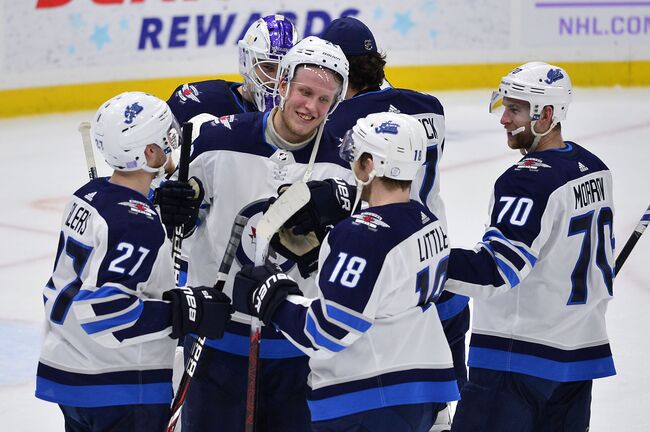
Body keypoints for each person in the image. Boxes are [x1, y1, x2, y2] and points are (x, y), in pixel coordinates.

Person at [274, 16, 469, 428]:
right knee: (432, 413)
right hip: (434, 263)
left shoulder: (345, 124)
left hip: (379, 281)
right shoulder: (430, 106)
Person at [155, 36, 353, 431]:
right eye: (304, 92)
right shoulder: (215, 141)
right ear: (282, 86)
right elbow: (178, 227)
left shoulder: (343, 167)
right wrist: (171, 208)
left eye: (324, 99)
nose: (311, 107)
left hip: (296, 344)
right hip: (217, 338)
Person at [233, 112, 460, 431]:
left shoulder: (359, 235)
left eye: (356, 155)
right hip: (419, 390)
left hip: (368, 397)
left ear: (369, 164)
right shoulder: (427, 221)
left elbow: (329, 331)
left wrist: (272, 297)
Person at [34, 92, 233, 432]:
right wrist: (182, 312)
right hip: (119, 383)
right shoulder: (137, 224)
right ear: (150, 153)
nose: (173, 145)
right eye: (166, 138)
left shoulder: (89, 194)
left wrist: (157, 200)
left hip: (70, 372)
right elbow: (103, 311)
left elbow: (122, 216)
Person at [445, 62, 616, 431]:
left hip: (516, 359)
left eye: (516, 109)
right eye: (505, 106)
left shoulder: (525, 181)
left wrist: (425, 262)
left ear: (547, 114)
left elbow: (495, 270)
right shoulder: (595, 168)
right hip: (577, 357)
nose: (504, 119)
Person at [167, 14, 298, 123]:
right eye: (268, 67)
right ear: (246, 62)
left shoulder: (302, 116)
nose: (276, 78)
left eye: (285, 70)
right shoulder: (197, 101)